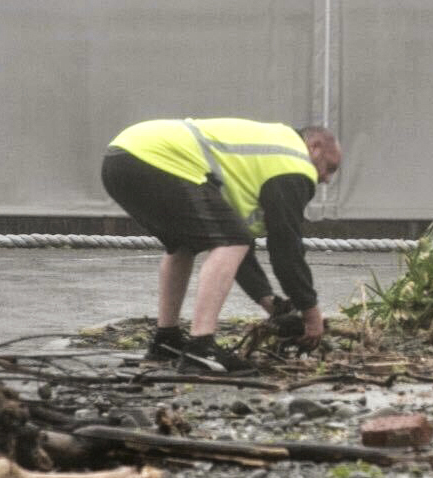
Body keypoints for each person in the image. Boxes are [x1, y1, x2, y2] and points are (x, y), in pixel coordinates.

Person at [100, 117, 341, 364]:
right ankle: (201, 347)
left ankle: (166, 339)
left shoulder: (262, 161)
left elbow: (239, 245)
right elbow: (286, 249)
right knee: (230, 242)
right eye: (330, 167)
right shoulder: (294, 164)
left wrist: (270, 304)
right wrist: (311, 314)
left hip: (121, 158)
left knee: (184, 245)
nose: (327, 179)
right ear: (315, 146)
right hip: (154, 158)